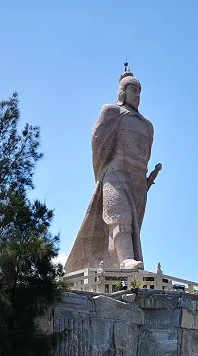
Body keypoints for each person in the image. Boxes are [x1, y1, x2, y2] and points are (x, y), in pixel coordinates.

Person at [65, 67, 162, 272]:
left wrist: (145, 180)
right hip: (115, 171)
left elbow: (145, 154)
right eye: (133, 90)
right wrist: (102, 172)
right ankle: (126, 261)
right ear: (122, 92)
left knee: (134, 226)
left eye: (139, 92)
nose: (137, 95)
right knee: (120, 215)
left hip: (137, 179)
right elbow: (97, 143)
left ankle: (123, 259)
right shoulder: (112, 112)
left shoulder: (147, 126)